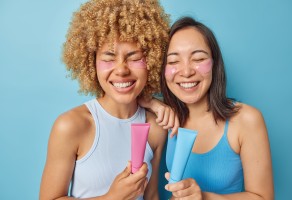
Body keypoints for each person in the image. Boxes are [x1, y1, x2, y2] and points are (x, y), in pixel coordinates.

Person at [39, 0, 175, 199]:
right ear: (91, 62)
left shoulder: (155, 128)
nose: (121, 69)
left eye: (134, 57)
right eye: (109, 57)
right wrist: (112, 197)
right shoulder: (71, 126)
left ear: (152, 61)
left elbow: (151, 195)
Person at [160, 17, 274, 199]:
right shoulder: (166, 117)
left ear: (215, 64)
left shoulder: (246, 120)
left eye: (198, 58)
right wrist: (151, 103)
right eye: (173, 62)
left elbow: (263, 197)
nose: (187, 71)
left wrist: (204, 197)